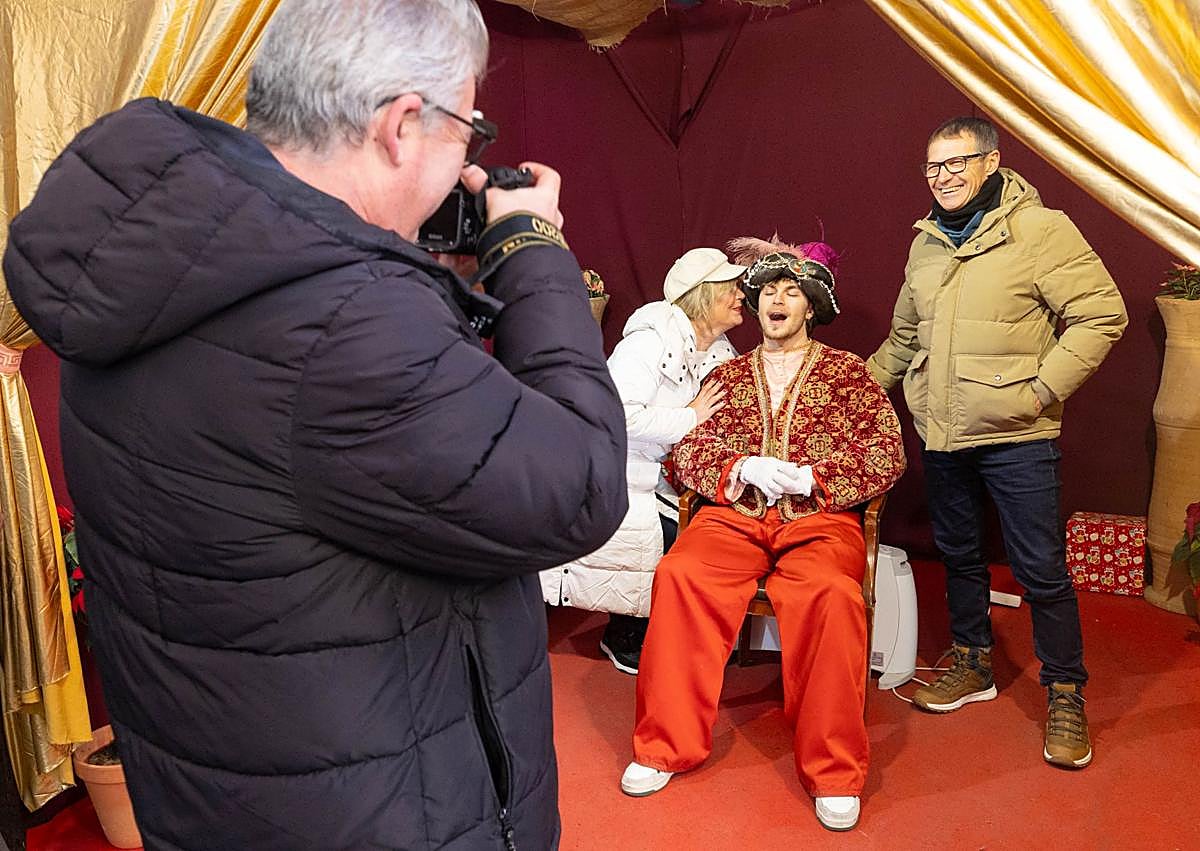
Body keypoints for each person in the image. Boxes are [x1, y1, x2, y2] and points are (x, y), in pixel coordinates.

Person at [3, 2, 628, 848]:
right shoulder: (346, 323)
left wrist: (420, 288)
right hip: (378, 809)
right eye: (469, 133)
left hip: (225, 788)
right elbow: (579, 484)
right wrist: (531, 248)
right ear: (403, 124)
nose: (467, 167)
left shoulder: (155, 254)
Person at [620, 236, 907, 832]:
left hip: (820, 520)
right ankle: (664, 745)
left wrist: (815, 479)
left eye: (791, 291)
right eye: (768, 289)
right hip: (733, 516)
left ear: (812, 306)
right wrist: (738, 469)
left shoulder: (848, 374)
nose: (777, 299)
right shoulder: (727, 374)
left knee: (830, 593)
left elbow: (886, 453)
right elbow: (688, 450)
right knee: (680, 574)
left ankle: (833, 770)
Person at [867, 116, 1127, 770]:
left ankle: (1066, 691)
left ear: (991, 162)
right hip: (944, 432)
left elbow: (1102, 313)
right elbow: (902, 341)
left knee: (1040, 568)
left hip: (1018, 435)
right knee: (959, 552)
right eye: (933, 166)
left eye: (957, 162)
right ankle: (974, 662)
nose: (944, 176)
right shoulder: (925, 243)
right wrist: (848, 388)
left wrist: (1041, 390)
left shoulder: (1040, 230)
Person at [541, 248, 743, 674]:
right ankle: (627, 633)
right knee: (664, 538)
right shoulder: (649, 343)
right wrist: (689, 416)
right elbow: (616, 415)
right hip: (623, 471)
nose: (740, 294)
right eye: (730, 287)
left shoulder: (719, 349)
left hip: (672, 474)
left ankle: (665, 630)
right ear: (703, 296)